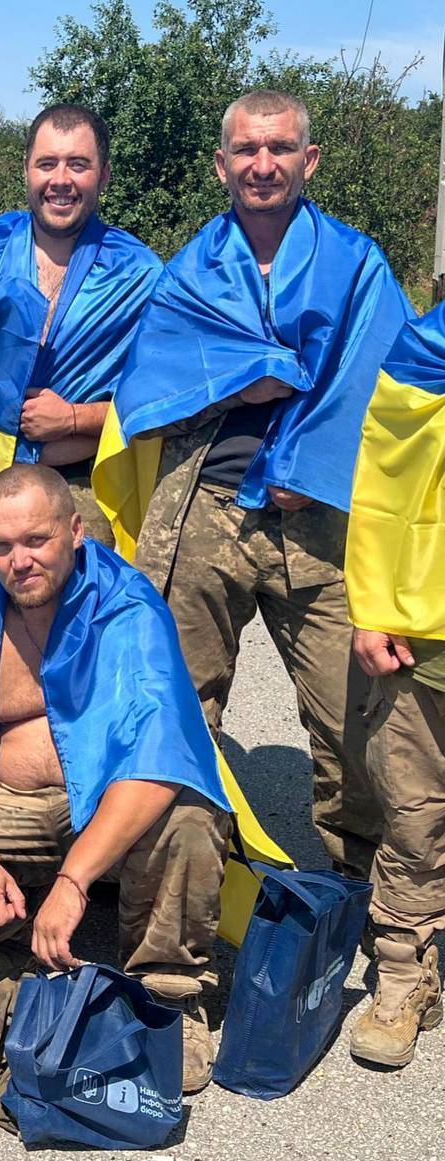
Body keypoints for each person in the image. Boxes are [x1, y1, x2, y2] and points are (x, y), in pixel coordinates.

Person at [0, 464, 232, 1094]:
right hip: (20, 803)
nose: (18, 560)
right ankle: (29, 938)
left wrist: (75, 882)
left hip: (116, 802)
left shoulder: (128, 606)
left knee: (189, 816)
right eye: (1, 546)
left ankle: (170, 994)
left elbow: (161, 764)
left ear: (74, 531)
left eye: (36, 540)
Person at [110, 90, 413, 879]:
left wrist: (311, 469)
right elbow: (154, 378)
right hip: (206, 512)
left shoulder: (357, 263)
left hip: (321, 524)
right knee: (177, 712)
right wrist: (240, 381)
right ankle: (187, 928)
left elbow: (378, 384)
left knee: (358, 723)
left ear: (308, 160)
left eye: (280, 148)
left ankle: (369, 911)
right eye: (246, 150)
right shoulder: (189, 271)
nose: (263, 164)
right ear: (222, 165)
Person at [0, 104, 162, 546]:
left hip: (77, 485)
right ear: (27, 171)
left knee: (80, 610)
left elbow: (162, 401)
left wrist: (73, 418)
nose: (60, 179)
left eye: (78, 164)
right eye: (47, 163)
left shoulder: (139, 273)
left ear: (103, 176)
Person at [344, 304, 445, 1067]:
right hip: (429, 621)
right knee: (412, 804)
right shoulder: (428, 345)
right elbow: (383, 479)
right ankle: (404, 969)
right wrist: (373, 605)